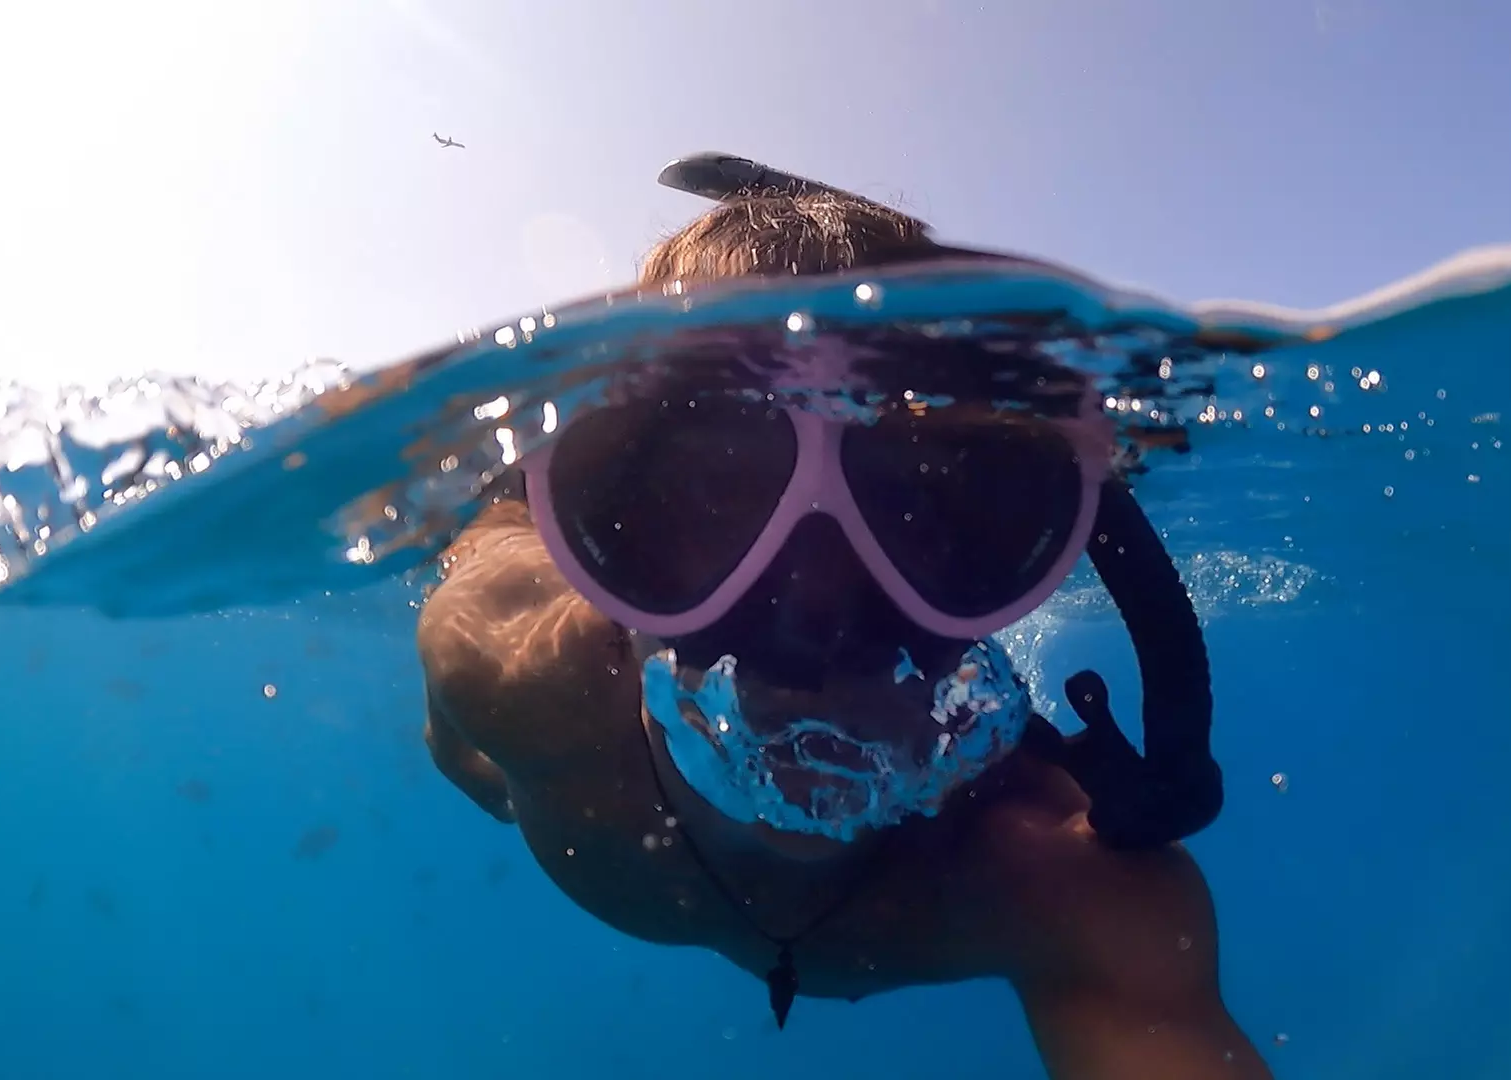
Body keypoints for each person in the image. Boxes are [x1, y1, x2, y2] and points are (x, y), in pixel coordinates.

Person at [416, 155, 1271, 1079]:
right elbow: (465, 741)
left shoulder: (1063, 884)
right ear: (610, 521)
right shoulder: (506, 667)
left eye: (923, 509)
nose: (815, 617)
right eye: (711, 500)